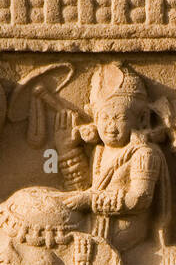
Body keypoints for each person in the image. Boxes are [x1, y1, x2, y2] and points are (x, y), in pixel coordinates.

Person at [59, 63, 167, 252]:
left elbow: (140, 199)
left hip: (125, 227)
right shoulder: (100, 150)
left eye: (119, 118)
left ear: (140, 119)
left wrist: (91, 202)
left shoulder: (144, 153)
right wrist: (66, 149)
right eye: (104, 118)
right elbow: (83, 189)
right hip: (97, 218)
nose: (110, 126)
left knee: (69, 243)